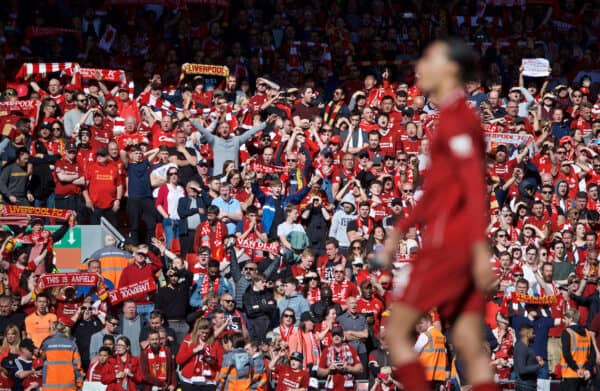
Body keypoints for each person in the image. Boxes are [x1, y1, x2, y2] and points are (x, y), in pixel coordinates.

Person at [386, 38, 496, 391]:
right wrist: (398, 231)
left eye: (428, 57)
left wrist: (479, 251)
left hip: (449, 247)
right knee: (468, 345)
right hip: (455, 244)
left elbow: (475, 187)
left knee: (397, 331)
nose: (420, 66)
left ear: (449, 69)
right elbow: (433, 192)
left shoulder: (459, 121)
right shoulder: (450, 117)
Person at [176, 318, 224, 391]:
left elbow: (222, 365)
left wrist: (213, 362)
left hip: (208, 382)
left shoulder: (216, 343)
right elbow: (179, 360)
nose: (204, 335)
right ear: (197, 330)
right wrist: (193, 351)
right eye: (202, 332)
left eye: (207, 333)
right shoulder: (188, 339)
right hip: (189, 381)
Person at [40, 321, 84, 391]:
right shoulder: (72, 344)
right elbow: (77, 366)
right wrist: (79, 384)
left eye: (49, 329)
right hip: (68, 386)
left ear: (54, 329)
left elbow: (41, 358)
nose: (49, 331)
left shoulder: (46, 343)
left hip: (49, 386)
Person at [317, 324, 363, 390]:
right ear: (331, 337)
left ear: (342, 337)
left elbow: (360, 368)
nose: (336, 337)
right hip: (332, 388)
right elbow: (319, 372)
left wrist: (348, 368)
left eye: (338, 335)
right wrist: (329, 369)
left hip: (348, 389)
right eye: (334, 335)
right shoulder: (326, 351)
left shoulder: (351, 349)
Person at [560, 308, 594, 391]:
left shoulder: (567, 332)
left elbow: (567, 354)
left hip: (570, 373)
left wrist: (576, 368)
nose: (564, 321)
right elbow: (592, 354)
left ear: (570, 319)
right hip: (584, 374)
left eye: (565, 319)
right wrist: (588, 369)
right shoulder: (587, 332)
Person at [414, 314, 447, 390]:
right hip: (439, 376)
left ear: (428, 322)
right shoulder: (441, 336)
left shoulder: (425, 335)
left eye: (421, 323)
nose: (420, 325)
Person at [514, 324, 544, 391]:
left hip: (529, 386)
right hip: (524, 386)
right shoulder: (521, 347)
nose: (535, 335)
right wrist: (539, 365)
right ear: (527, 334)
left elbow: (527, 362)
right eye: (533, 333)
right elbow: (522, 370)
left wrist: (535, 359)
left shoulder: (527, 347)